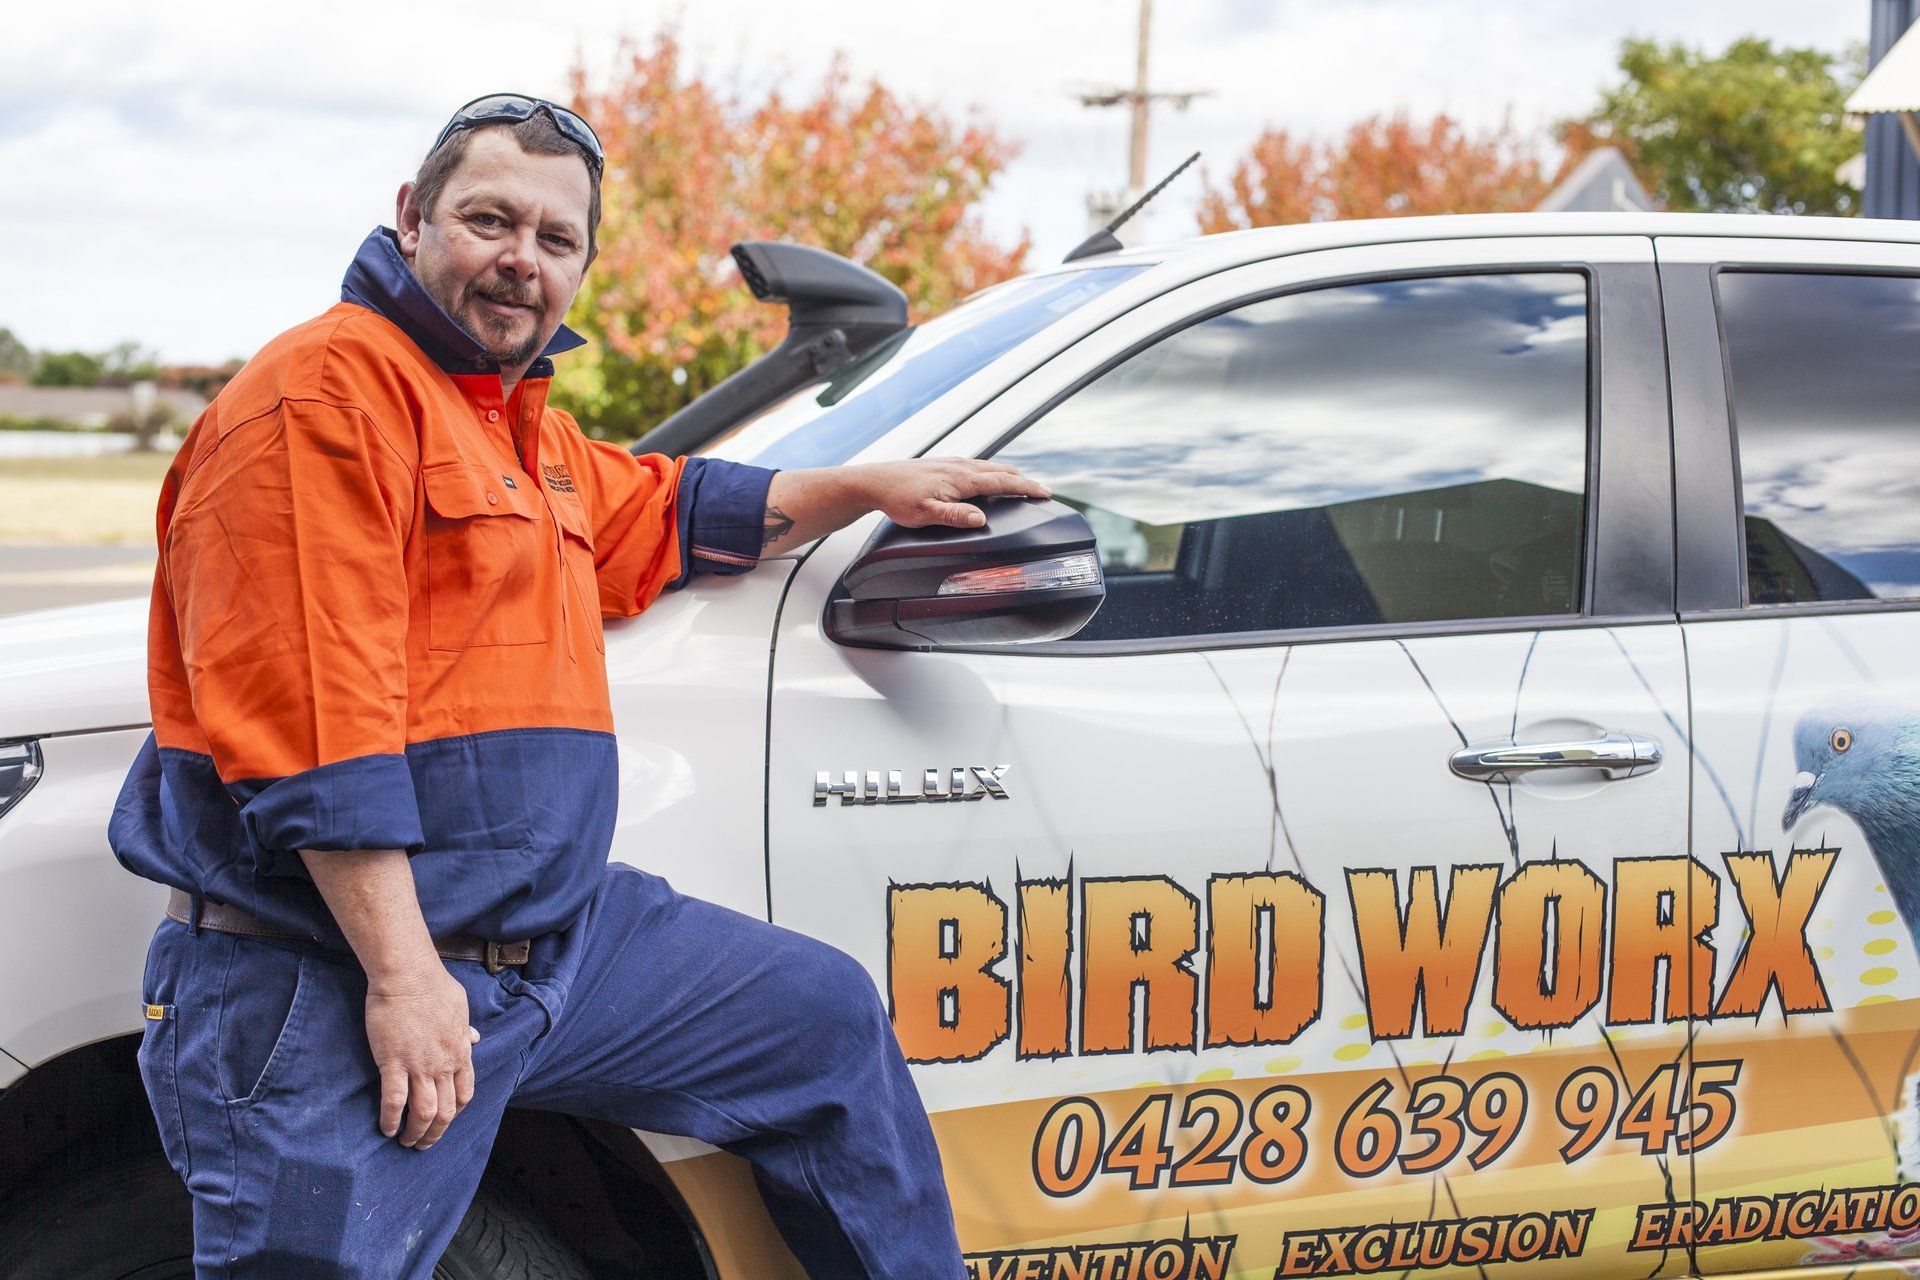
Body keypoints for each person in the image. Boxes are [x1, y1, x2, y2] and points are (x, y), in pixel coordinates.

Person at [106, 92, 1048, 1278]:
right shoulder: (322, 401)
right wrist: (405, 978)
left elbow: (664, 507)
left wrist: (863, 485)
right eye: (489, 220)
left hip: (562, 950)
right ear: (411, 217)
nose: (521, 262)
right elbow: (313, 730)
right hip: (333, 977)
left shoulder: (515, 428)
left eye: (556, 241)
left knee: (821, 1022)